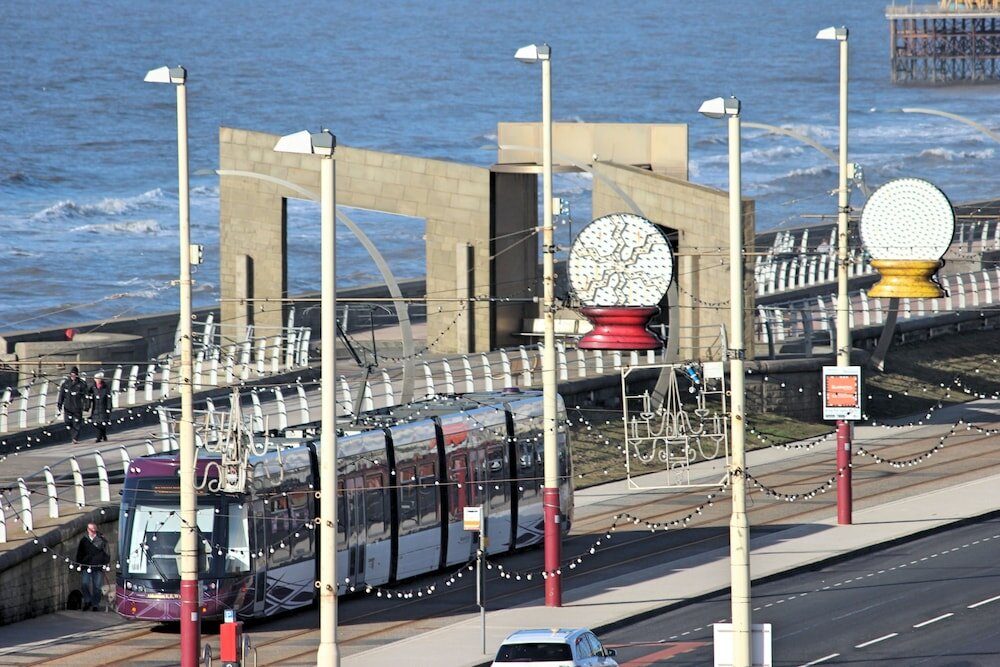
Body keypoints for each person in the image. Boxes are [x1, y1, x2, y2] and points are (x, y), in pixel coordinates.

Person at [75, 522, 110, 611]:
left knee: (97, 587)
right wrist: (79, 563)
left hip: (97, 566)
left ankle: (95, 604)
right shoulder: (84, 540)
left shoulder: (102, 540)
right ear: (87, 530)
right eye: (91, 529)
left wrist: (105, 563)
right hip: (86, 566)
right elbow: (80, 553)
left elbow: (107, 552)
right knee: (84, 584)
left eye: (94, 529)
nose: (92, 531)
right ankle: (88, 600)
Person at [57, 366, 88, 444]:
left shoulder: (81, 384)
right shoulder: (66, 384)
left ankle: (75, 438)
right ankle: (73, 435)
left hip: (77, 407)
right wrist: (59, 405)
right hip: (68, 407)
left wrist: (86, 405)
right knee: (67, 422)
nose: (73, 376)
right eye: (72, 374)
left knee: (77, 423)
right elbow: (61, 395)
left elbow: (85, 396)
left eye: (74, 374)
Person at [88, 371, 112, 443]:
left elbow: (109, 398)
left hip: (103, 407)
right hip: (95, 408)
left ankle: (98, 437)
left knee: (102, 422)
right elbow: (87, 393)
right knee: (96, 423)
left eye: (99, 379)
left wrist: (109, 407)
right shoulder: (93, 387)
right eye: (96, 379)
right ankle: (103, 435)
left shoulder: (105, 387)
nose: (98, 380)